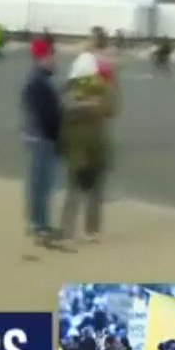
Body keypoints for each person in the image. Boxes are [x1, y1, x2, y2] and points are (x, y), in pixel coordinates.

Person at [57, 53, 115, 244]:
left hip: (79, 148)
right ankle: (90, 231)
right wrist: (89, 105)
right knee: (91, 191)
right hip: (92, 146)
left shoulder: (69, 89)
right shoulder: (99, 88)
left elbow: (62, 112)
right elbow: (110, 110)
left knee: (77, 191)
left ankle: (69, 231)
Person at [22, 38, 62, 247]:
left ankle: (40, 224)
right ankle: (39, 226)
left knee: (40, 184)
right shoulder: (38, 82)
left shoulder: (39, 79)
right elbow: (46, 116)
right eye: (52, 56)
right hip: (42, 139)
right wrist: (57, 137)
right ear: (43, 57)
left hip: (38, 137)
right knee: (41, 184)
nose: (54, 61)